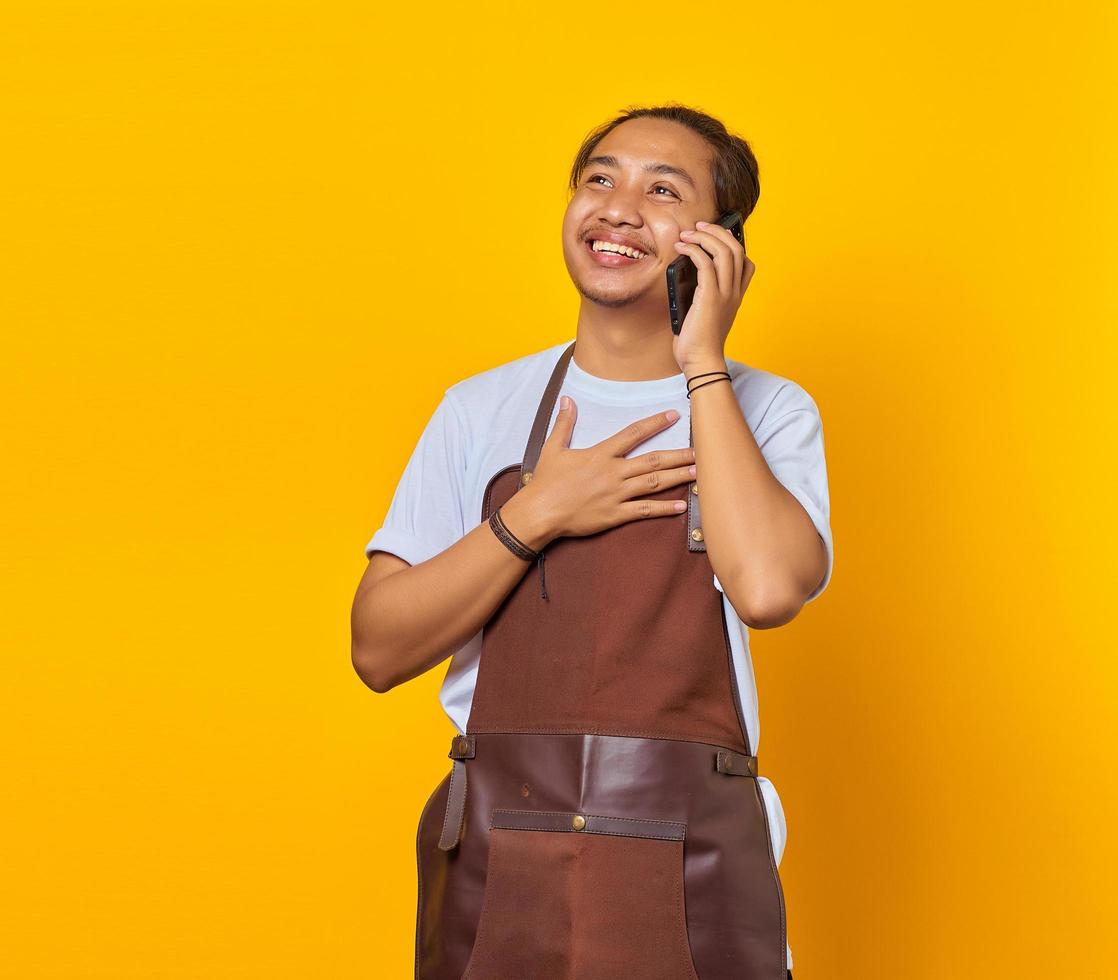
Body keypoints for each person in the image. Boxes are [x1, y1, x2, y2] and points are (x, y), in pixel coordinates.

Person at [350, 104, 831, 980]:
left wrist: (704, 364)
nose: (617, 206)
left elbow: (766, 589)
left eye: (662, 190)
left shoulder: (768, 410)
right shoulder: (478, 409)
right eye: (600, 179)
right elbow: (378, 648)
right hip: (498, 865)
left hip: (693, 869)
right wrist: (533, 515)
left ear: (718, 243)